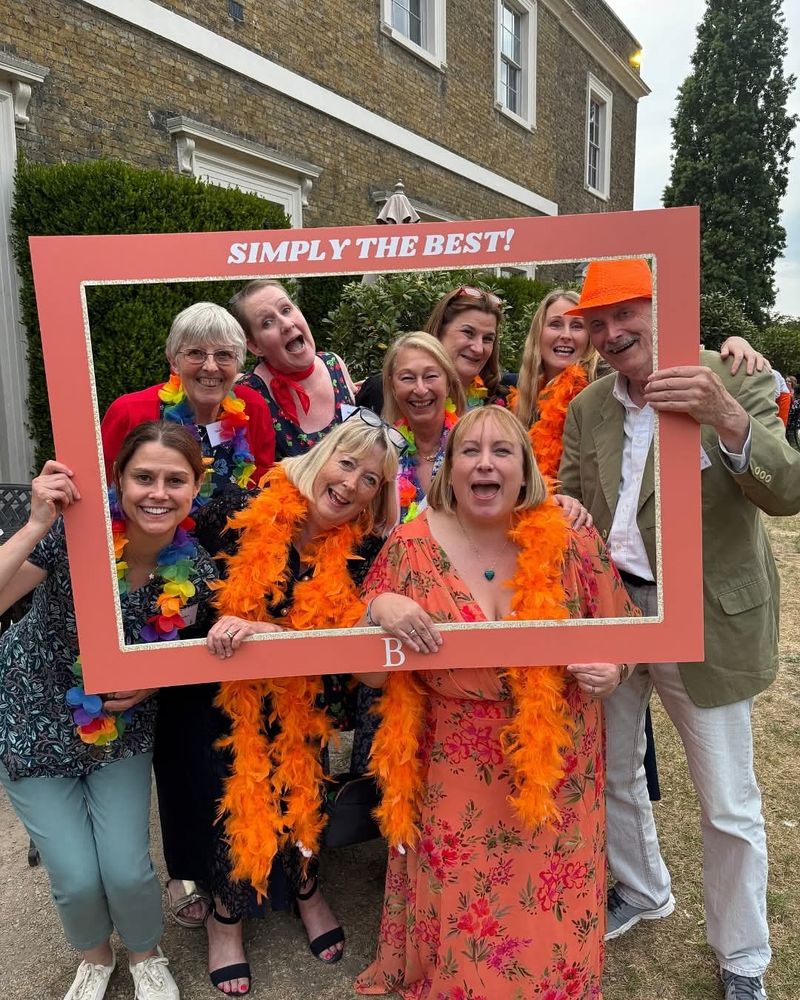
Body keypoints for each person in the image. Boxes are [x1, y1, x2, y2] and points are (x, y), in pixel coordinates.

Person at [559, 258, 800, 1000]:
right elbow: (572, 493)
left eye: (625, 314)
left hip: (706, 617)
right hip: (615, 608)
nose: (610, 333)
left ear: (662, 307)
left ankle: (743, 957)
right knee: (615, 770)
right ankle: (642, 890)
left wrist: (726, 415)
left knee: (727, 801)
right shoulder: (589, 405)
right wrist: (566, 514)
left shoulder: (731, 374)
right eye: (597, 322)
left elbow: (788, 490)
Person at [353, 405, 638, 998]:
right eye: (470, 451)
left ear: (525, 468)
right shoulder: (408, 548)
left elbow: (629, 630)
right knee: (467, 908)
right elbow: (368, 676)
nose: (485, 464)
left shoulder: (570, 538)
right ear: (449, 469)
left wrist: (615, 669)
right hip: (454, 763)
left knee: (551, 904)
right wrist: (378, 609)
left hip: (559, 760)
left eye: (502, 451)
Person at [0, 422, 217, 1000]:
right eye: (143, 477)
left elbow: (193, 656)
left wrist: (152, 681)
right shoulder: (76, 533)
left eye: (175, 480)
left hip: (120, 730)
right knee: (74, 876)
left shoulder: (197, 571)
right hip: (31, 717)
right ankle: (95, 958)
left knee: (125, 869)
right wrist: (35, 524)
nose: (158, 493)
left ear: (195, 488)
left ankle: (145, 953)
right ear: (118, 480)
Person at [203, 415, 402, 973]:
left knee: (306, 789)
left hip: (311, 699)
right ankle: (226, 915)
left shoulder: (365, 549)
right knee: (232, 793)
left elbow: (354, 640)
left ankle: (307, 889)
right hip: (230, 696)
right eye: (347, 464)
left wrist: (277, 636)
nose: (351, 484)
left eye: (370, 479)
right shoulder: (241, 510)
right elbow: (189, 591)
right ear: (321, 456)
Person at [101, 301, 275, 491]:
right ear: (173, 361)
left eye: (224, 355)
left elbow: (263, 488)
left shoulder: (253, 408)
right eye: (195, 353)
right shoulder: (129, 412)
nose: (211, 367)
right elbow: (99, 489)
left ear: (238, 364)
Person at [229, 280, 358, 458]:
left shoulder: (334, 364)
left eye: (286, 310)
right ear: (255, 346)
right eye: (267, 323)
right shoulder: (247, 395)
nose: (287, 324)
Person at [356, 285, 512, 413]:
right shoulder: (383, 391)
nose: (478, 348)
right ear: (439, 332)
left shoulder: (503, 399)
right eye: (468, 333)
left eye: (487, 339)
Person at [381, 331, 467, 523]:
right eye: (407, 378)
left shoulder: (473, 445)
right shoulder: (381, 454)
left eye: (431, 376)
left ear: (448, 383)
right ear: (393, 387)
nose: (420, 389)